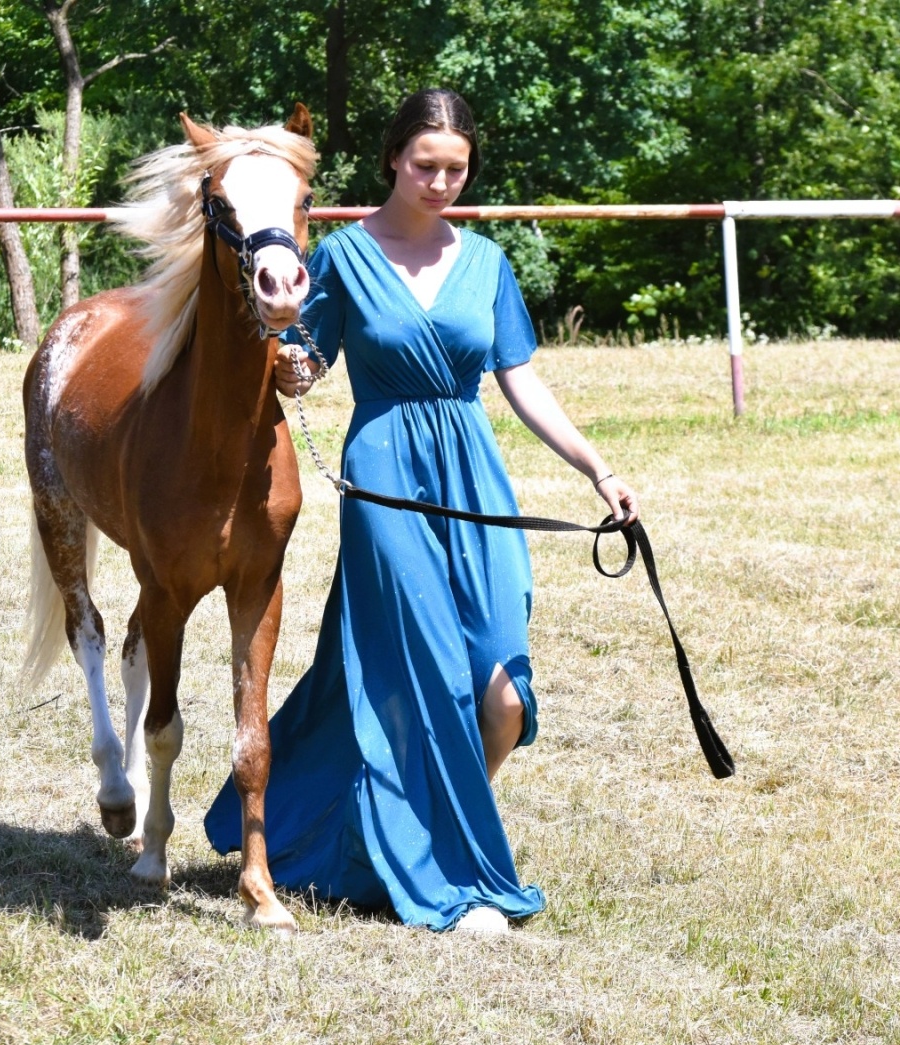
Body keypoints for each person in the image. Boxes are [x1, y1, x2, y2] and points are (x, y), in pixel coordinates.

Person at [204, 89, 639, 933]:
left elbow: (520, 380)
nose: (440, 182)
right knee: (427, 672)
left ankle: (420, 841)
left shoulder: (487, 261)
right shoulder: (344, 255)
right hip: (386, 477)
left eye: (456, 169)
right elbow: (306, 363)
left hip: (474, 479)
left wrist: (599, 470)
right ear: (393, 160)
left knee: (504, 693)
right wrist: (290, 364)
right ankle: (448, 872)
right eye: (425, 165)